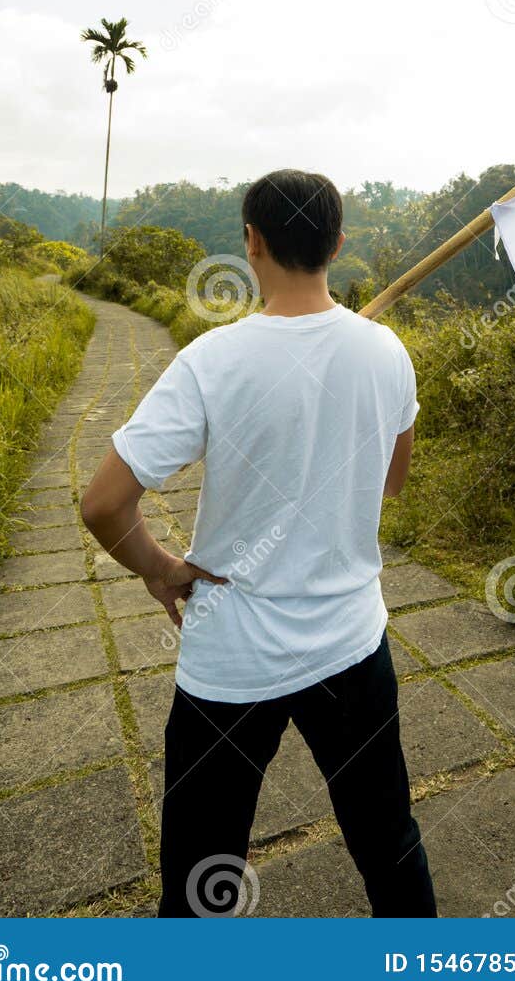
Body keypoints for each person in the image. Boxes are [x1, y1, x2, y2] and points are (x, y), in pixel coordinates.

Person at [80, 168, 437, 918]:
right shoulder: (387, 353)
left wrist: (159, 569)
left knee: (199, 872)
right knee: (386, 841)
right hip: (351, 644)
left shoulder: (212, 361)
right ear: (337, 243)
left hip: (232, 658)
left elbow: (104, 503)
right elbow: (390, 481)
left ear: (251, 242)